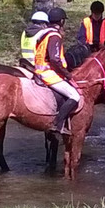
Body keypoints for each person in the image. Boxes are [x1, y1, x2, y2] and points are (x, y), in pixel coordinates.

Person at [33, 7, 81, 135]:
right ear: (61, 21)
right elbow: (54, 59)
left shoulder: (44, 33)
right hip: (48, 73)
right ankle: (57, 124)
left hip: (39, 70)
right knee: (75, 96)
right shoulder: (54, 36)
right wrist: (67, 75)